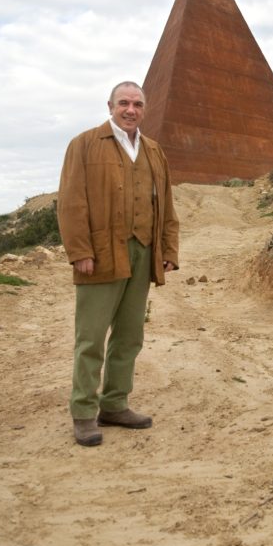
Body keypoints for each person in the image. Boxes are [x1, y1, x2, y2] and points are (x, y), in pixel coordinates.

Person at [58, 81, 179, 446]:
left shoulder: (155, 150)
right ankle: (83, 412)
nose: (130, 109)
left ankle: (114, 404)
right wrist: (80, 251)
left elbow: (167, 205)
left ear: (145, 108)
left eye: (137, 104)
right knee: (91, 337)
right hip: (101, 253)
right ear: (110, 105)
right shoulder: (84, 144)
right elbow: (71, 202)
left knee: (129, 336)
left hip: (143, 255)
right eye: (123, 103)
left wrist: (168, 249)